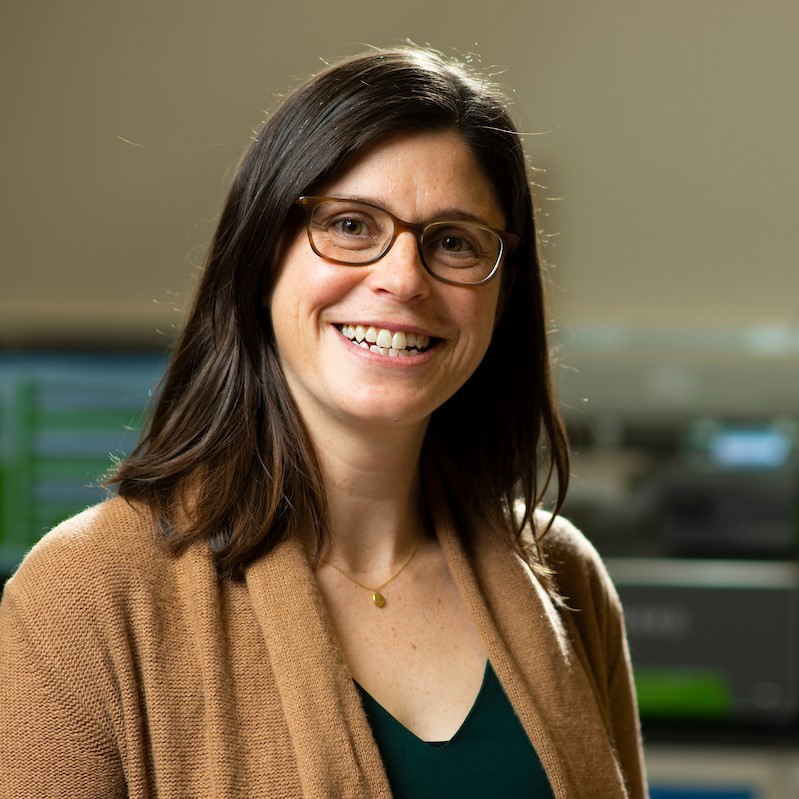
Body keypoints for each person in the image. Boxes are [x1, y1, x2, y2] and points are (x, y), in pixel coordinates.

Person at [0, 47, 647, 798]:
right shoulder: (84, 595)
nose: (403, 278)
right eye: (348, 224)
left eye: (453, 241)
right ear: (260, 258)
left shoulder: (562, 572)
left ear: (502, 296)